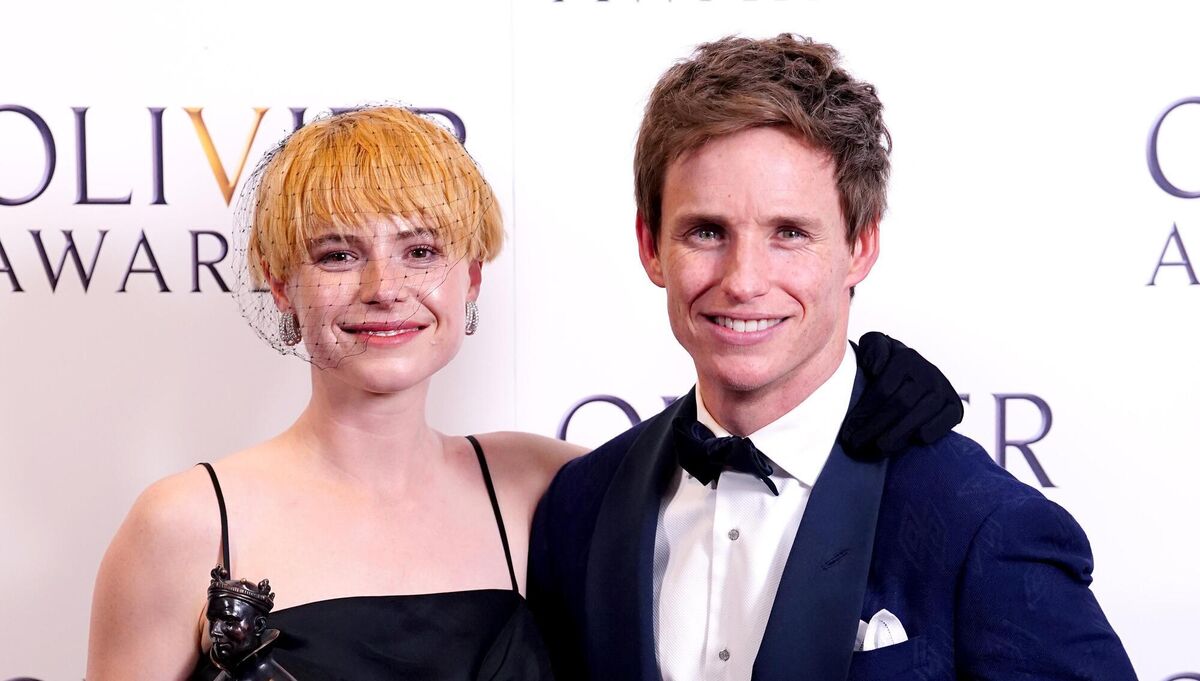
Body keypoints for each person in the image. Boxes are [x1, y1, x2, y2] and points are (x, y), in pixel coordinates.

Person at [85, 106, 960, 681]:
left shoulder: (550, 488)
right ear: (281, 283)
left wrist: (871, 384)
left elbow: (729, 437)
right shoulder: (183, 526)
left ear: (470, 276)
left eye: (422, 250)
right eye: (338, 253)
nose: (385, 287)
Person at [526, 34, 1138, 681]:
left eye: (789, 233)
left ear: (861, 245)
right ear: (651, 246)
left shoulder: (982, 527)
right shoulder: (579, 506)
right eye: (707, 231)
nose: (743, 279)